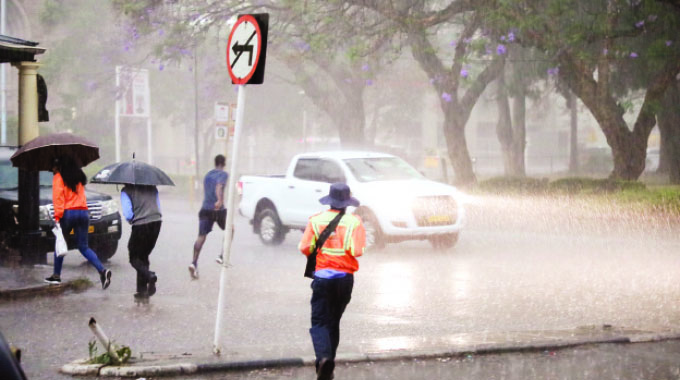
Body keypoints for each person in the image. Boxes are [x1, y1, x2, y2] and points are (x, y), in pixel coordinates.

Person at [298, 183, 365, 380]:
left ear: (330, 201)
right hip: (344, 280)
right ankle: (328, 367)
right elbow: (357, 251)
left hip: (322, 278)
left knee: (319, 322)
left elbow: (304, 247)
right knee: (334, 321)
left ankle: (324, 359)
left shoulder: (316, 220)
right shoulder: (355, 223)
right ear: (347, 203)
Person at [44, 156, 112, 289]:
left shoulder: (59, 177)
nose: (51, 169)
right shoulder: (78, 177)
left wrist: (57, 218)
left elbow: (58, 199)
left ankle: (56, 276)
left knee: (60, 243)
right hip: (83, 212)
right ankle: (102, 271)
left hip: (69, 213)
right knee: (84, 247)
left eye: (53, 166)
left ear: (58, 165)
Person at [189, 154, 228, 279]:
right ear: (223, 164)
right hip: (218, 210)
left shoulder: (207, 175)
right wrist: (219, 200)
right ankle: (222, 255)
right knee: (230, 230)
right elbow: (219, 186)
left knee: (201, 237)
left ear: (215, 163)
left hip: (205, 209)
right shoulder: (223, 174)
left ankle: (194, 263)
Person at [120, 184, 162, 301]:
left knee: (134, 257)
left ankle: (149, 276)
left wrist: (135, 220)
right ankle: (142, 292)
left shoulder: (126, 190)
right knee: (143, 255)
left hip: (141, 224)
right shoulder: (152, 187)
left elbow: (128, 214)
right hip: (157, 222)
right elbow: (158, 206)